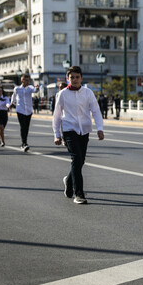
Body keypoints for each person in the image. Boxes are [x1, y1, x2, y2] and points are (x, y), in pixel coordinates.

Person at [53, 66, 104, 205]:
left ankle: (68, 180)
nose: (74, 80)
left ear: (81, 78)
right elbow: (57, 115)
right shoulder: (62, 94)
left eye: (77, 77)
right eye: (72, 77)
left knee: (80, 161)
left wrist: (100, 128)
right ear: (67, 79)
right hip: (69, 129)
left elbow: (96, 111)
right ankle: (79, 193)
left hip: (84, 130)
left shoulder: (88, 93)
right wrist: (57, 134)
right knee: (76, 159)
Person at [10, 74, 38, 152]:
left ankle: (24, 142)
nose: (27, 81)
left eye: (28, 80)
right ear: (22, 81)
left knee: (27, 127)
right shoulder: (17, 89)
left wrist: (37, 88)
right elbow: (14, 96)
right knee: (23, 126)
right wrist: (12, 103)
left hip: (28, 110)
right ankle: (24, 143)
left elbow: (35, 90)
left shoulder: (30, 88)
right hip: (20, 110)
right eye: (26, 80)